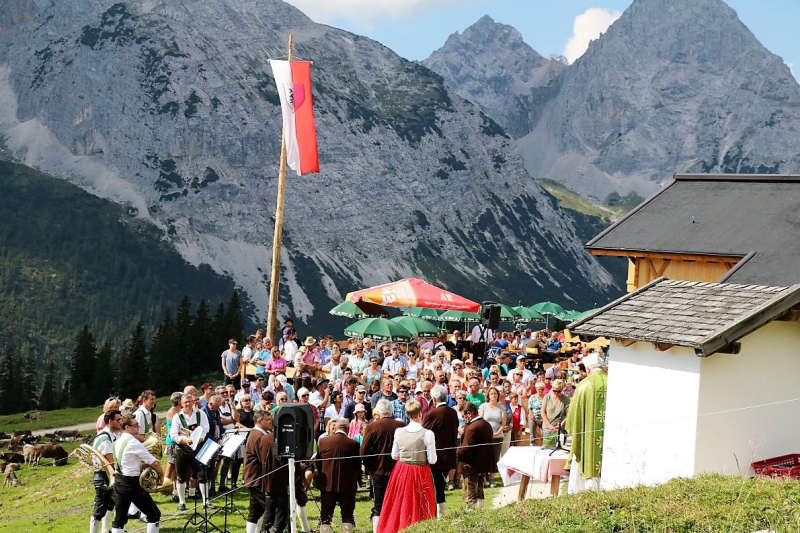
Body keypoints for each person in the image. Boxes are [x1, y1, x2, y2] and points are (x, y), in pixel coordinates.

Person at [378, 399, 437, 533]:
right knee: (420, 503)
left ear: (407, 414)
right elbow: (432, 460)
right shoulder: (427, 433)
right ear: (420, 413)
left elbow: (394, 455)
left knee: (400, 501)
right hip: (420, 470)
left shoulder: (399, 431)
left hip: (402, 470)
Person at [111, 414, 163, 533]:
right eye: (136, 425)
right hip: (131, 484)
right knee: (154, 514)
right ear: (127, 427)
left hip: (119, 482)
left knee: (119, 519)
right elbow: (154, 463)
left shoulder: (117, 441)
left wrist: (144, 465)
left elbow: (129, 463)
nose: (138, 427)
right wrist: (162, 475)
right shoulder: (133, 442)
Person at [565, 354, 608, 494]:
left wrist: (573, 428)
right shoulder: (613, 382)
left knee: (586, 455)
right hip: (609, 437)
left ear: (588, 370)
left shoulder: (584, 385)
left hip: (588, 439)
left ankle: (583, 490)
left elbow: (573, 416)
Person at [360, 399, 403, 532]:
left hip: (378, 470)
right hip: (397, 470)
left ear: (378, 412)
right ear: (391, 411)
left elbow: (363, 451)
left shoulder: (372, 426)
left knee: (378, 504)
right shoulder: (401, 425)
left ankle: (378, 530)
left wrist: (369, 468)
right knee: (396, 502)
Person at [315, 419, 361, 533]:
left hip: (327, 486)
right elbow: (357, 466)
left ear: (336, 428)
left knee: (325, 515)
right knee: (347, 514)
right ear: (348, 429)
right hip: (347, 485)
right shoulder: (354, 444)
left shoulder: (323, 442)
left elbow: (318, 463)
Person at [423, 385, 459, 518]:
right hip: (449, 454)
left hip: (435, 456)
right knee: (440, 485)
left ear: (434, 399)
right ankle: (440, 513)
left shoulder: (433, 413)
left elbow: (423, 432)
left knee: (436, 486)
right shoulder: (453, 412)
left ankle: (437, 514)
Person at [170, 393, 210, 510]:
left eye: (189, 401)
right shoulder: (177, 417)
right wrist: (183, 440)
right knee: (181, 477)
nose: (188, 404)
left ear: (193, 402)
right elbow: (173, 435)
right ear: (181, 404)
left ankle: (205, 501)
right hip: (182, 449)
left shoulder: (200, 414)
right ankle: (182, 502)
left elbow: (206, 428)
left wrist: (201, 438)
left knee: (202, 475)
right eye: (185, 402)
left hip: (197, 448)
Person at [457, 401, 494, 510]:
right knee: (480, 492)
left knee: (470, 495)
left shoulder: (472, 428)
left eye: (463, 416)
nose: (463, 419)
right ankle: (481, 512)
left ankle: (471, 515)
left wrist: (456, 452)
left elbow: (466, 449)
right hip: (482, 465)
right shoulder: (486, 424)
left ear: (469, 413)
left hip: (471, 466)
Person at [90, 410, 121, 533]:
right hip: (103, 476)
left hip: (107, 474)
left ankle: (105, 530)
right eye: (118, 420)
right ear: (110, 422)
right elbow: (111, 461)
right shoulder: (105, 438)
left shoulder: (111, 435)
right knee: (99, 509)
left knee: (111, 503)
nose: (121, 422)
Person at [478, 386, 507, 487]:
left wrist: (497, 433)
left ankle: (492, 477)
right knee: (484, 457)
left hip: (497, 437)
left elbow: (503, 423)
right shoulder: (483, 406)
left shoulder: (502, 408)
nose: (493, 395)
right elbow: (480, 421)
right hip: (485, 436)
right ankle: (483, 478)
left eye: (495, 393)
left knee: (495, 457)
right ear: (488, 396)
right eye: (491, 394)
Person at [541, 378, 570, 448]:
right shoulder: (547, 397)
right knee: (547, 447)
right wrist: (549, 424)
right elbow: (542, 412)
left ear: (562, 389)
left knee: (559, 449)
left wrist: (561, 425)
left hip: (560, 429)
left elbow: (568, 415)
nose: (556, 393)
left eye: (558, 391)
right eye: (554, 391)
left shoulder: (566, 399)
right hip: (547, 427)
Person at [528, 381, 547, 446]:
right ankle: (532, 446)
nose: (540, 390)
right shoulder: (532, 397)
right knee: (532, 435)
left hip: (543, 418)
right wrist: (534, 419)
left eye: (542, 389)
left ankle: (545, 445)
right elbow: (530, 409)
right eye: (539, 389)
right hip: (533, 418)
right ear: (536, 389)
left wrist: (543, 419)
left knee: (544, 433)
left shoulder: (546, 398)